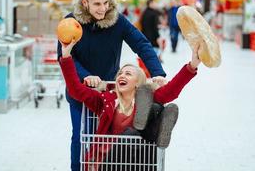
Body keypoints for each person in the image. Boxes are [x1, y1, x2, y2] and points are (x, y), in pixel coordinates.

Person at [57, 0, 167, 171]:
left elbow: (141, 44)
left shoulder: (117, 21)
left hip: (107, 91)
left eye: (106, 2)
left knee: (107, 137)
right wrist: (86, 76)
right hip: (78, 89)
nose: (103, 8)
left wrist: (157, 72)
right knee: (80, 135)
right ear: (85, 3)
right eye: (97, 4)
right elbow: (65, 56)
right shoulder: (70, 23)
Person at [59, 40, 201, 170]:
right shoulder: (105, 101)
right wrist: (66, 56)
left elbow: (171, 91)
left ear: (138, 84)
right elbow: (75, 90)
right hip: (107, 162)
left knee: (152, 115)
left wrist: (192, 65)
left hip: (137, 162)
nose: (122, 76)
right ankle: (154, 127)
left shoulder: (146, 99)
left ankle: (158, 126)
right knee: (132, 133)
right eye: (120, 73)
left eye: (128, 74)